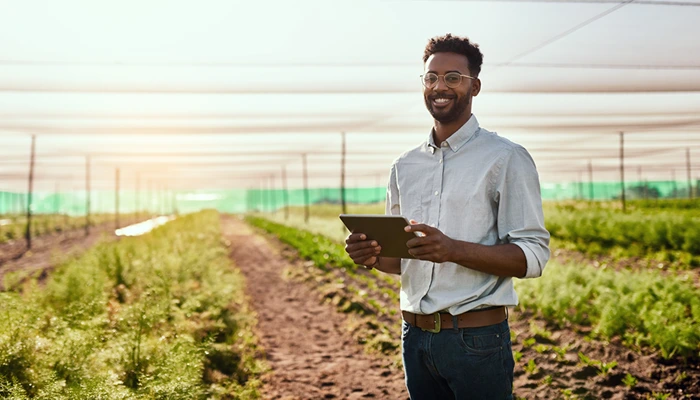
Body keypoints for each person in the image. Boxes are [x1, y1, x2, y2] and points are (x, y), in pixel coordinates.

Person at [343, 34, 550, 400]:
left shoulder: (505, 158)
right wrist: (373, 256)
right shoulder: (404, 166)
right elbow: (403, 261)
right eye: (431, 77)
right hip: (414, 338)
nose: (440, 86)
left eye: (453, 77)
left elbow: (531, 257)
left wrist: (452, 249)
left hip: (476, 341)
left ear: (475, 86)